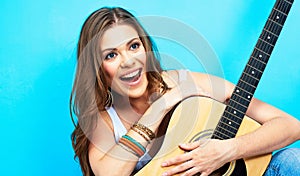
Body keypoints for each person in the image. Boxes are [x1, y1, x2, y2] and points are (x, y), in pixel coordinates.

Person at [70, 7, 300, 176]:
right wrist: (160, 107)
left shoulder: (185, 81)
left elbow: (290, 126)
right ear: (98, 67)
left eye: (133, 46)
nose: (128, 61)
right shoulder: (104, 120)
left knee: (293, 160)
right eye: (111, 55)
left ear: (145, 47)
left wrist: (227, 150)